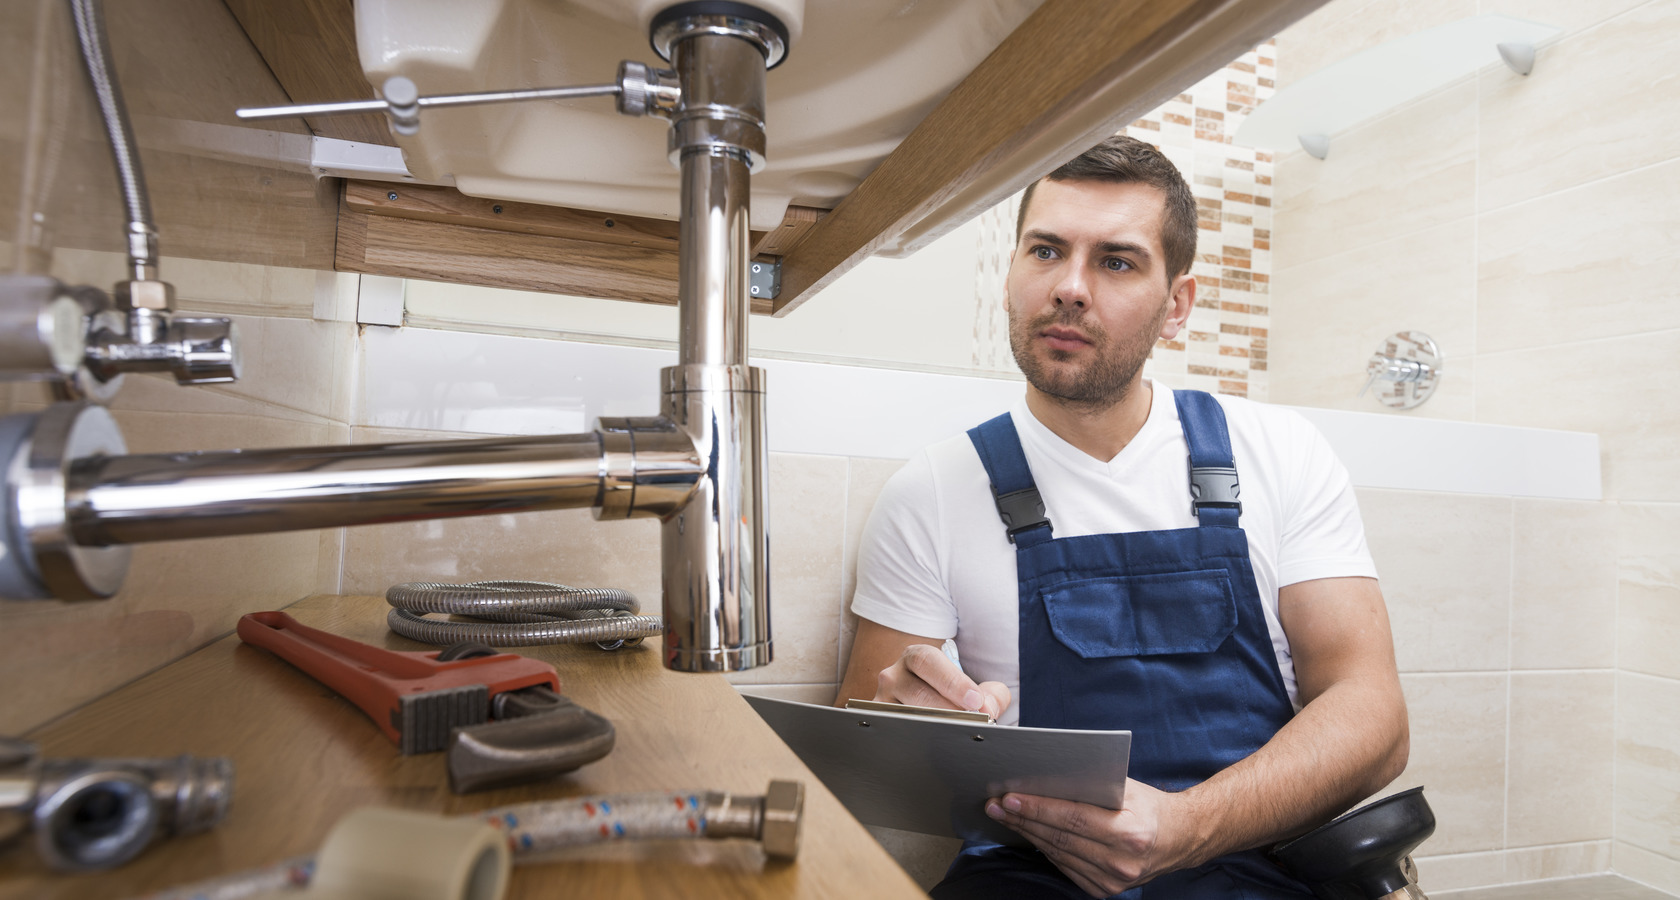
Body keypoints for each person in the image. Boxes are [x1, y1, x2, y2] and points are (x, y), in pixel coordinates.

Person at [835, 135, 1409, 899]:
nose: (1070, 287)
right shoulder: (932, 491)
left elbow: (1374, 717)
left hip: (1251, 863)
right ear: (1009, 278)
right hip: (1028, 876)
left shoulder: (1278, 452)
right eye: (1045, 251)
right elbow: (861, 753)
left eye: (1115, 261)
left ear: (1177, 306)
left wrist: (1188, 826)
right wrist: (912, 729)